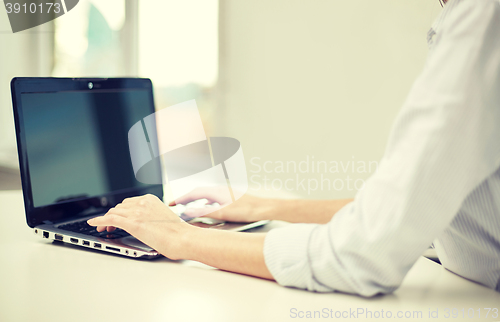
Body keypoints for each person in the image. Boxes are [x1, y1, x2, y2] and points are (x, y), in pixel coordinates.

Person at [88, 0, 500, 296]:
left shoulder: (483, 18)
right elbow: (403, 209)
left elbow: (361, 255)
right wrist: (264, 207)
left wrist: (181, 238)